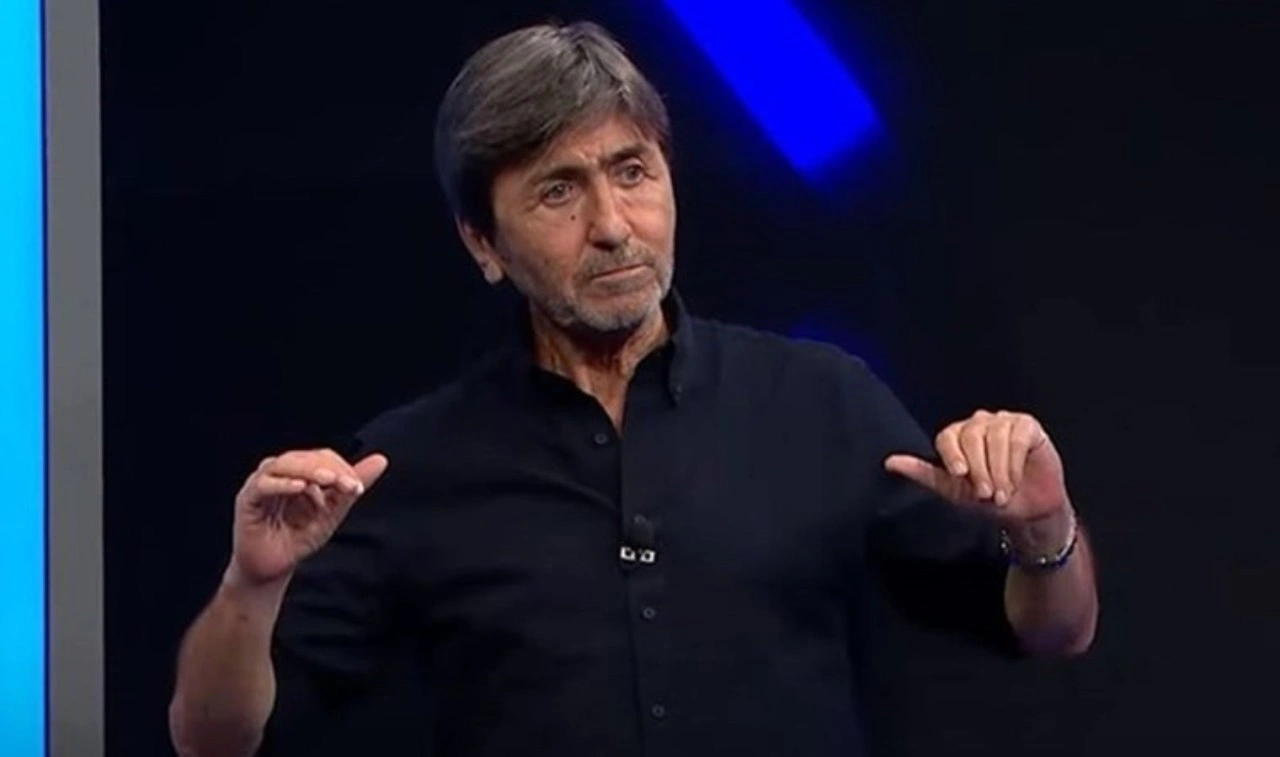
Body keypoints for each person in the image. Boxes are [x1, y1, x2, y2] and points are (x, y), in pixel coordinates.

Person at [168, 20, 1097, 757]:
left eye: (632, 172)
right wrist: (254, 584)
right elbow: (211, 739)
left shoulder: (821, 401)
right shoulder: (407, 466)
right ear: (482, 243)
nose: (613, 225)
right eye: (558, 191)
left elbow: (1053, 629)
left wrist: (1045, 530)